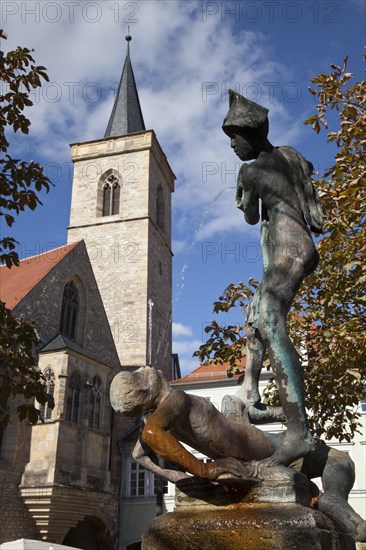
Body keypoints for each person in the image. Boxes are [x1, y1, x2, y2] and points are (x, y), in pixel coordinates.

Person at [109, 367, 366, 542]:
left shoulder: (163, 417)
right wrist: (202, 470)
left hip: (254, 446)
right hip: (265, 448)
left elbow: (138, 455)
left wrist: (178, 477)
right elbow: (154, 435)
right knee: (339, 459)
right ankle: (334, 498)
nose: (145, 367)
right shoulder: (176, 399)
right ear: (146, 388)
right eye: (140, 374)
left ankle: (329, 500)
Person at [222, 90, 324, 467]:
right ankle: (253, 397)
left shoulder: (250, 170)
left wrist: (243, 194)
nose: (232, 146)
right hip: (299, 246)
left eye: (236, 137)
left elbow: (249, 215)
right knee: (255, 317)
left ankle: (299, 432)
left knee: (269, 318)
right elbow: (306, 172)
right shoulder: (288, 155)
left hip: (289, 248)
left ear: (252, 134)